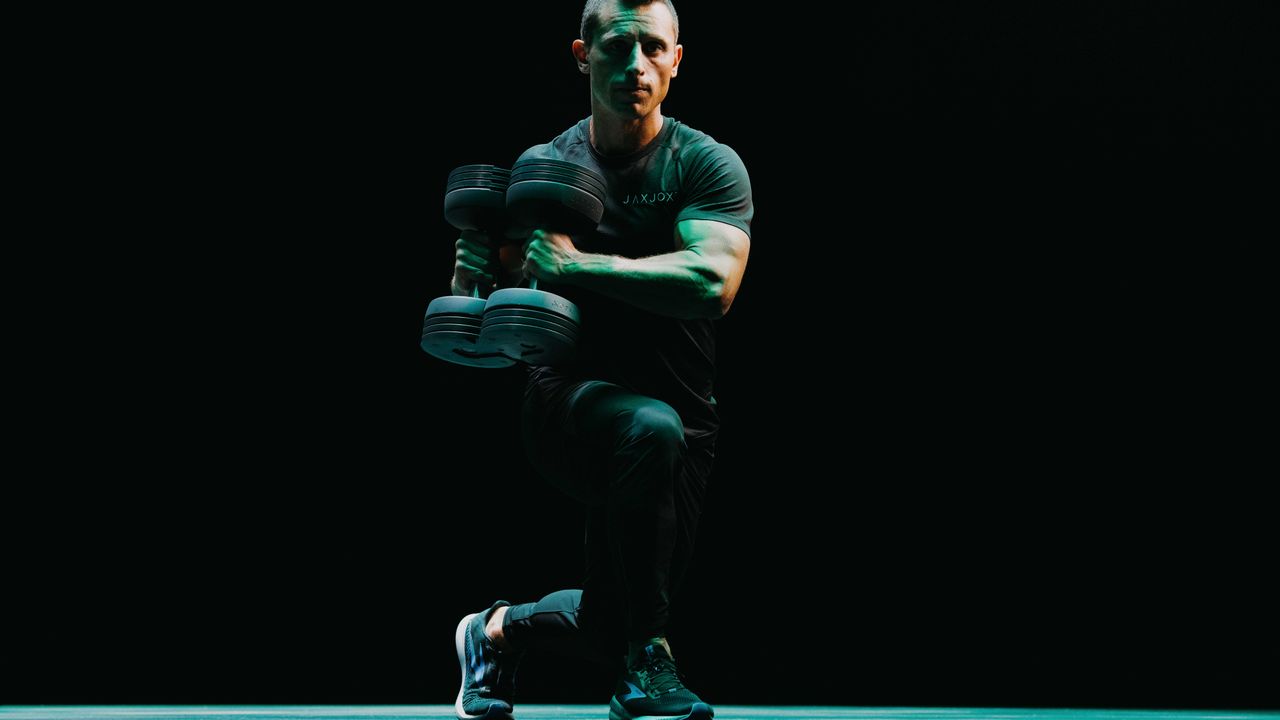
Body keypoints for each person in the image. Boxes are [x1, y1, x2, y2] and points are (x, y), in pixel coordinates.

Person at [448, 2, 751, 719]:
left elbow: (713, 284)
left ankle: (493, 632)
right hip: (567, 406)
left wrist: (582, 265)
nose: (636, 65)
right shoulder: (544, 171)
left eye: (654, 47)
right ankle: (649, 666)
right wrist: (472, 277)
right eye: (618, 47)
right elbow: (498, 305)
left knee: (612, 617)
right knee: (647, 432)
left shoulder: (704, 164)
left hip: (686, 414)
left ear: (678, 59)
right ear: (583, 55)